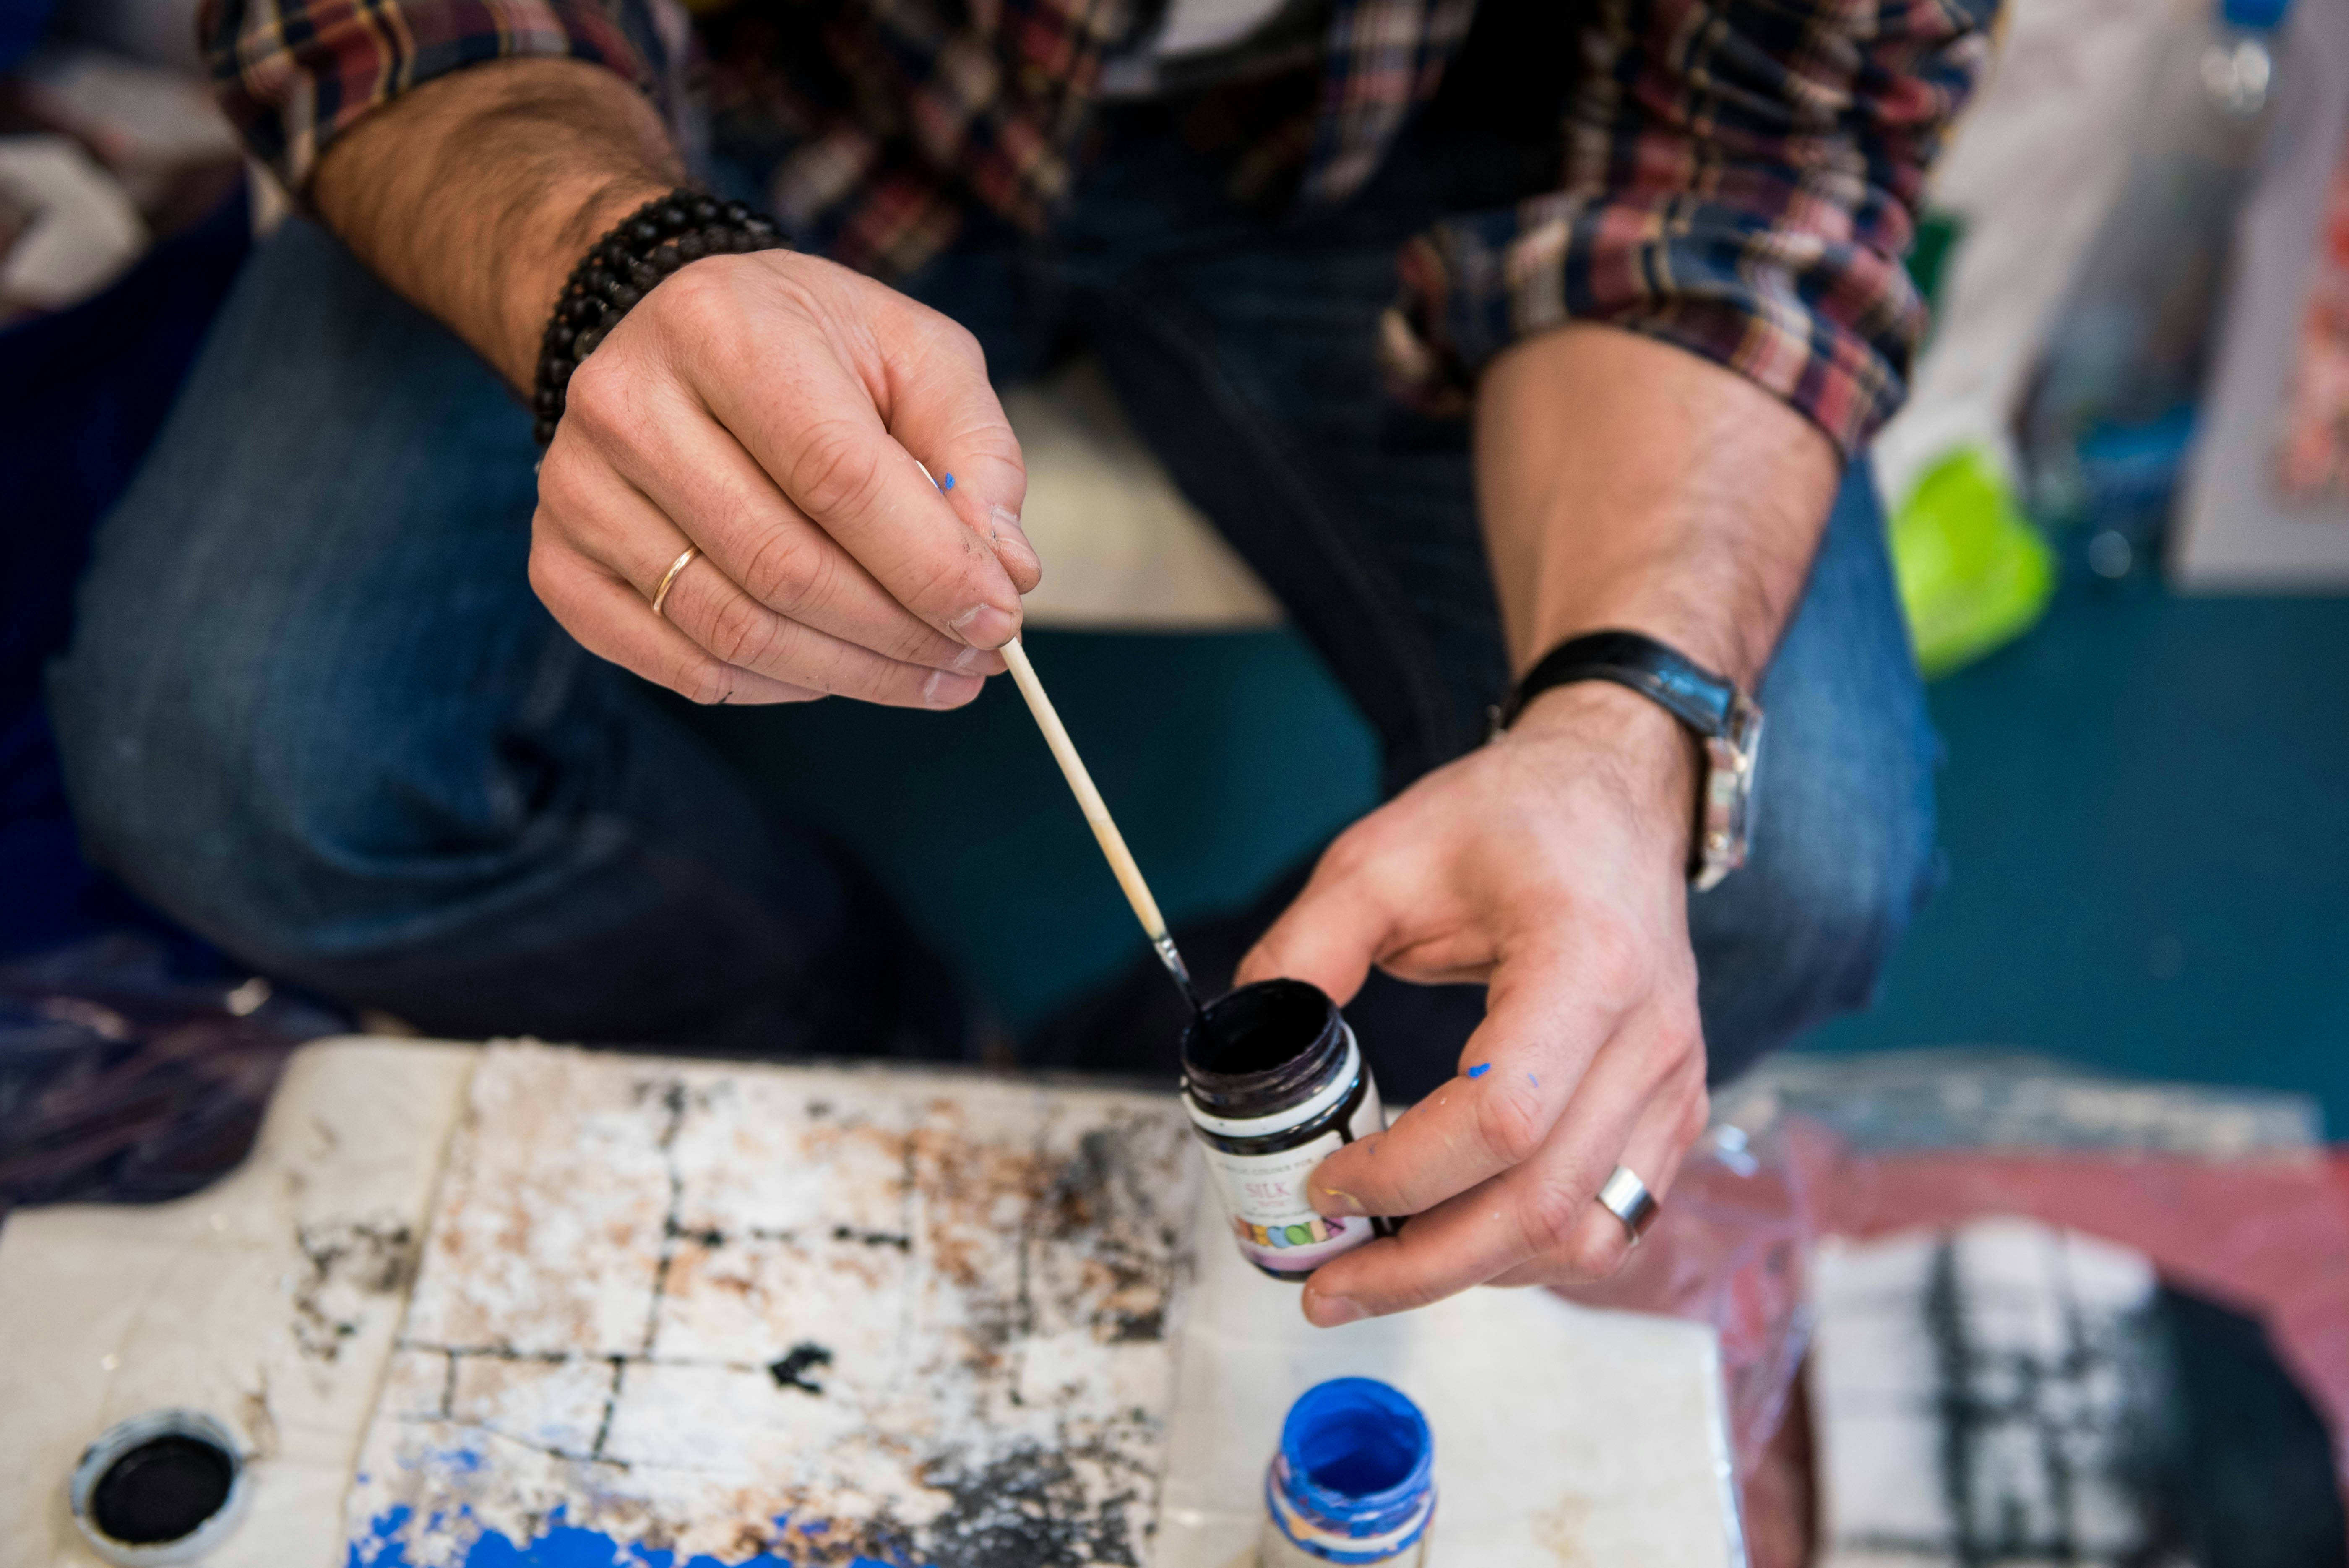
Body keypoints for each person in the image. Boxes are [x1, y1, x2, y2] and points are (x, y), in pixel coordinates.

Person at [48, 0, 1988, 1327]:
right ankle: (873, 1043)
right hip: (729, 87)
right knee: (230, 750)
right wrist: (608, 268)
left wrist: (1617, 730)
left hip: (1425, 147)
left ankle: (1111, 1110)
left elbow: (1754, 162)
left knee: (1765, 854)